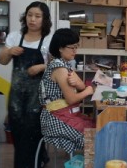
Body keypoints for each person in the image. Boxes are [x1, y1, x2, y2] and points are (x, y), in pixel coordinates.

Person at [0, 1, 53, 168]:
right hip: (16, 94)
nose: (33, 19)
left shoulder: (48, 41)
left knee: (34, 129)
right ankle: (26, 167)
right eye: (30, 15)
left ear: (44, 19)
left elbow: (58, 65)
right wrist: (8, 51)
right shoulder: (15, 37)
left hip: (38, 94)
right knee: (18, 129)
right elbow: (2, 61)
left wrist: (41, 66)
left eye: (37, 16)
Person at [39, 28, 95, 156]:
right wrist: (88, 91)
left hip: (63, 114)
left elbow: (80, 85)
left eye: (76, 47)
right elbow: (71, 99)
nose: (75, 51)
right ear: (60, 48)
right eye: (72, 47)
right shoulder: (59, 68)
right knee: (93, 137)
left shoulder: (64, 64)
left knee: (95, 127)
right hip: (55, 119)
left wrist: (80, 84)